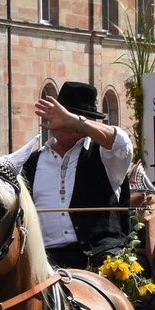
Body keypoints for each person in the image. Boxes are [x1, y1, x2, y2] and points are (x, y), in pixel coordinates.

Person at [18, 81, 135, 270]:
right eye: (61, 114)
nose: (64, 121)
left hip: (101, 256)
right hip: (46, 260)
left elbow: (122, 144)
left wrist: (77, 122)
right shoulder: (31, 162)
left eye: (71, 117)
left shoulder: (105, 155)